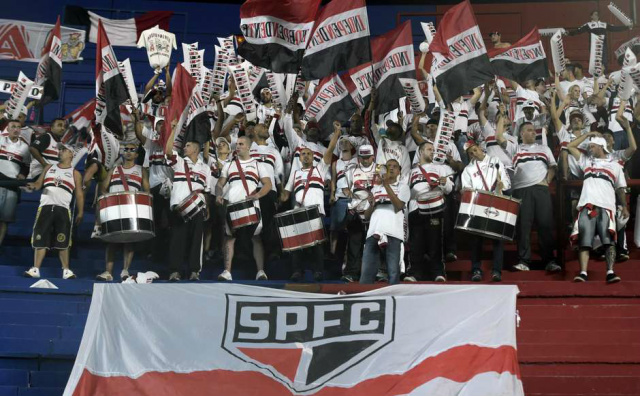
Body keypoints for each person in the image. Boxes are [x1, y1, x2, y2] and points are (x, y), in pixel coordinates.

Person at [497, 116, 560, 272]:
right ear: (521, 134)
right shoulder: (516, 148)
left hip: (541, 189)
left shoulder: (544, 149)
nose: (533, 133)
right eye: (530, 130)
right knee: (523, 227)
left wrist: (547, 180)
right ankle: (524, 261)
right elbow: (498, 137)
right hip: (522, 190)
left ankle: (549, 260)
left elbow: (553, 166)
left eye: (534, 130)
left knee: (545, 225)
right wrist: (500, 116)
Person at [280, 122, 341, 281]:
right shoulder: (295, 174)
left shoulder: (320, 169)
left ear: (313, 157)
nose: (306, 156)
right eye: (303, 154)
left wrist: (336, 134)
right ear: (299, 158)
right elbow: (286, 193)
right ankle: (297, 271)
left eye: (308, 154)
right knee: (297, 246)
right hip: (298, 211)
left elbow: (329, 151)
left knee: (317, 244)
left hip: (315, 211)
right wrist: (281, 195)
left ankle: (318, 271)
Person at [566, 132, 627, 283]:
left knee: (608, 240)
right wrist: (588, 134)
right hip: (587, 205)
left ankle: (610, 271)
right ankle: (583, 272)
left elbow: (620, 188)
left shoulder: (615, 165)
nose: (589, 148)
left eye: (592, 146)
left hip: (607, 206)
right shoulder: (586, 161)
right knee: (584, 240)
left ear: (601, 146)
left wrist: (624, 206)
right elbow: (569, 146)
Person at [23, 143, 84, 279]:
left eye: (64, 150)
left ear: (71, 154)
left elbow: (79, 194)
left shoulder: (75, 173)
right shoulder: (49, 167)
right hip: (45, 207)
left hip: (63, 209)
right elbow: (39, 184)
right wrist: (33, 186)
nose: (60, 151)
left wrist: (80, 212)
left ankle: (66, 270)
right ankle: (35, 269)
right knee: (40, 238)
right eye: (60, 149)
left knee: (63, 240)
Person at [216, 135, 272, 281]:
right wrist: (218, 194)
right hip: (232, 205)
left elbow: (268, 184)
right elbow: (219, 184)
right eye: (237, 144)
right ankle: (227, 272)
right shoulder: (229, 165)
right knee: (230, 237)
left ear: (248, 146)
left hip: (252, 204)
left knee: (256, 237)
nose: (237, 146)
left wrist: (258, 195)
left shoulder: (258, 164)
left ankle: (260, 271)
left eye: (241, 144)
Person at [96, 142, 150, 281]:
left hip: (131, 207)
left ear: (137, 154)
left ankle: (125, 270)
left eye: (132, 150)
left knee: (130, 239)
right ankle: (108, 272)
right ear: (122, 153)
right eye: (126, 149)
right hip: (115, 207)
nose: (128, 152)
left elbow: (147, 191)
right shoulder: (114, 170)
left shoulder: (141, 170)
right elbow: (103, 189)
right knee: (111, 239)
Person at [461, 140, 511, 282]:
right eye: (470, 153)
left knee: (497, 238)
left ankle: (496, 271)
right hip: (479, 204)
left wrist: (503, 184)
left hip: (496, 201)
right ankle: (476, 269)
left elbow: (506, 180)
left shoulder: (495, 161)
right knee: (476, 238)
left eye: (475, 150)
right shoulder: (468, 169)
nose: (473, 154)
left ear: (481, 148)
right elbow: (466, 189)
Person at [165, 129, 211, 281]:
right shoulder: (179, 162)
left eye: (188, 146)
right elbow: (168, 150)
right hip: (179, 207)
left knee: (197, 239)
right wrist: (172, 130)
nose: (184, 148)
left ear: (196, 149)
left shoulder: (205, 168)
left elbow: (206, 190)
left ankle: (194, 271)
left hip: (197, 207)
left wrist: (207, 208)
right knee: (177, 239)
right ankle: (175, 271)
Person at [405, 141, 454, 282]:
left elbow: (450, 189)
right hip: (415, 209)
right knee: (416, 243)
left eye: (433, 149)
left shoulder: (440, 169)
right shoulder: (411, 172)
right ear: (420, 152)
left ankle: (438, 272)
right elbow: (404, 192)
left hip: (434, 209)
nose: (432, 152)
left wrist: (444, 183)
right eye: (429, 149)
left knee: (435, 242)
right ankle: (414, 273)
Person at [360, 159, 410, 285]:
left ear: (399, 171)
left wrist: (386, 184)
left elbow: (398, 206)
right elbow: (366, 216)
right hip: (373, 232)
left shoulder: (403, 188)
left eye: (394, 166)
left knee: (393, 273)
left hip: (393, 233)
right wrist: (371, 204)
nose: (391, 168)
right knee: (367, 272)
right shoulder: (375, 189)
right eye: (388, 166)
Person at [340, 144, 377, 282]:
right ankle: (351, 273)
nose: (365, 160)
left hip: (374, 211)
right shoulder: (352, 170)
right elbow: (344, 188)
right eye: (363, 157)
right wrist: (351, 195)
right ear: (359, 157)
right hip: (356, 211)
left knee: (374, 244)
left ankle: (375, 273)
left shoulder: (379, 170)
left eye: (368, 157)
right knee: (354, 245)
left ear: (373, 157)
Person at [250, 122, 284, 260]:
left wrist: (281, 192)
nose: (266, 129)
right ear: (255, 131)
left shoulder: (273, 151)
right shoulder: (248, 148)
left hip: (269, 191)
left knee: (269, 223)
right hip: (251, 190)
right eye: (263, 127)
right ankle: (250, 256)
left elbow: (279, 174)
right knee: (251, 223)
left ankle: (272, 253)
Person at [0, 119, 31, 247]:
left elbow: (26, 165)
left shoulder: (25, 147)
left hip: (12, 186)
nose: (16, 129)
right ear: (8, 128)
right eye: (13, 126)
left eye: (18, 127)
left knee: (4, 220)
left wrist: (23, 174)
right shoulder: (0, 139)